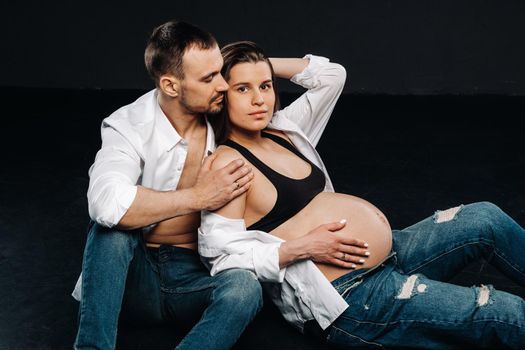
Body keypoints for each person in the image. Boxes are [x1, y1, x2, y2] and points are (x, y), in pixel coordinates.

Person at [198, 41, 525, 348]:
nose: (259, 99)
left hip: (392, 253)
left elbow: (331, 76)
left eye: (265, 86)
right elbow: (219, 256)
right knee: (505, 312)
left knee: (485, 218)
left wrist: (256, 65)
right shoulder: (228, 164)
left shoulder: (280, 129)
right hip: (351, 297)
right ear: (221, 94)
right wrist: (301, 247)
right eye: (243, 89)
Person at [72, 20, 367, 350]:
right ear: (171, 85)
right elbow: (106, 203)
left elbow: (331, 77)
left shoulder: (239, 121)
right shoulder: (130, 125)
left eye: (222, 72)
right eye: (210, 77)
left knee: (245, 287)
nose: (224, 85)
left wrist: (255, 65)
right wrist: (198, 196)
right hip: (133, 281)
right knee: (110, 229)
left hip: (198, 279)